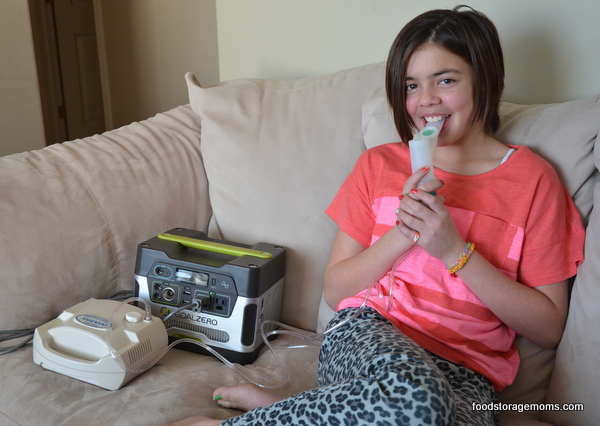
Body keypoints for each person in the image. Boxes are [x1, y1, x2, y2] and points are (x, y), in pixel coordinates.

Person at [166, 5, 585, 426]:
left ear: (485, 80)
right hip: (368, 334)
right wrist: (403, 233)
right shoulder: (379, 166)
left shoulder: (533, 182)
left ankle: (288, 408)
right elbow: (336, 289)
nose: (426, 101)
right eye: (411, 86)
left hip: (470, 373)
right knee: (418, 403)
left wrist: (456, 252)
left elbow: (547, 327)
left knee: (426, 411)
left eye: (446, 80)